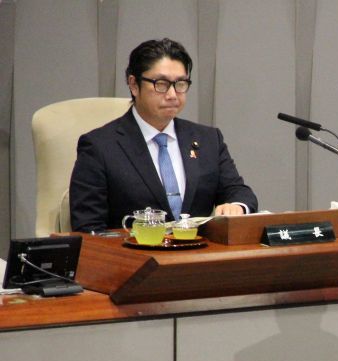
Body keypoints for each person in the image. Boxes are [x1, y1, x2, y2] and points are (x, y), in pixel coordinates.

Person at [70, 38, 257, 232]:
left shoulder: (208, 139)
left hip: (198, 255)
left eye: (181, 84)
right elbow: (88, 227)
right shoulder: (99, 146)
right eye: (161, 84)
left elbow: (238, 192)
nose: (172, 95)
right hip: (135, 256)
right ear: (134, 85)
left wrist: (236, 206)